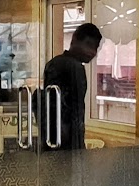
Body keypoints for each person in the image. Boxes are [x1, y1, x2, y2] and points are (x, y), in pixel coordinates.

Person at [39, 22, 101, 151]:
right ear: (74, 40)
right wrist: (78, 146)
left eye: (95, 47)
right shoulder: (75, 67)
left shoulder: (53, 63)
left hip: (51, 138)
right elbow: (75, 111)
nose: (92, 52)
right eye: (88, 45)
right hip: (68, 142)